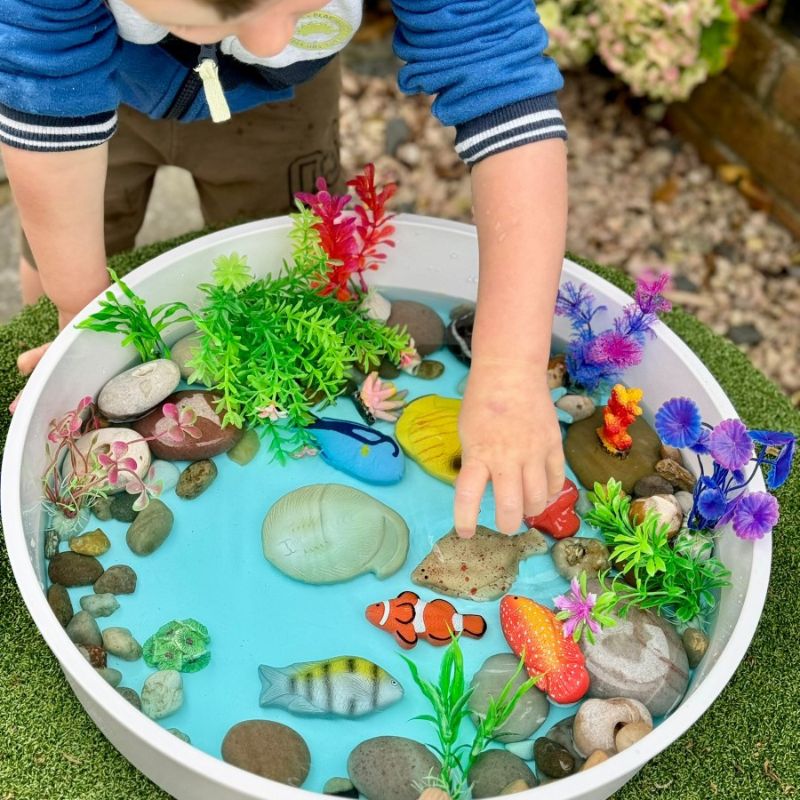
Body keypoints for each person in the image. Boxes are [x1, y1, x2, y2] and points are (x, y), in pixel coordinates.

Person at [0, 0, 568, 538]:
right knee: (67, 235)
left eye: (301, 6)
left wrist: (510, 369)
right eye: (220, 10)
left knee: (285, 253)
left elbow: (505, 90)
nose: (270, 40)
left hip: (278, 109)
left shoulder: (273, 42)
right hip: (105, 83)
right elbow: (47, 115)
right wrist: (79, 308)